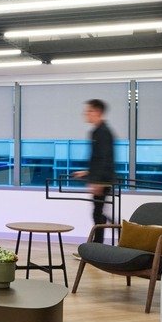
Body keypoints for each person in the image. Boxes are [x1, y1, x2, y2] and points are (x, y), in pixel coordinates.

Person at [72, 98, 116, 243]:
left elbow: (104, 158)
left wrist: (98, 182)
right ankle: (97, 245)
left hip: (103, 180)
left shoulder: (103, 132)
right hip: (100, 178)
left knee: (98, 213)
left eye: (89, 111)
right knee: (99, 213)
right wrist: (87, 172)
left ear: (97, 112)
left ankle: (97, 246)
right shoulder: (97, 131)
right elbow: (98, 158)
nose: (86, 114)